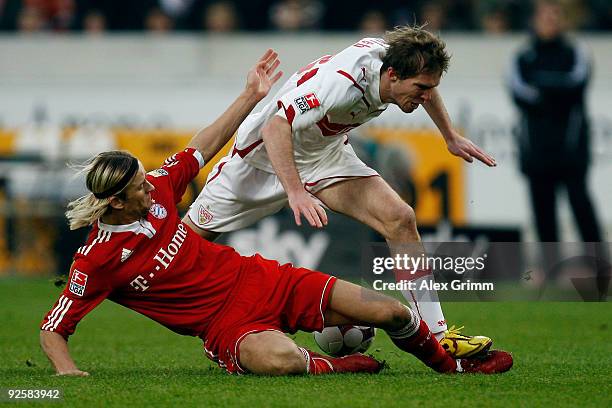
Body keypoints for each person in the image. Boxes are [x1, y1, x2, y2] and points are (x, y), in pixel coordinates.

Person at [39, 50, 513, 377]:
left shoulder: (161, 188)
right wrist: (68, 372)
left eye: (147, 179)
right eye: (140, 187)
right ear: (117, 202)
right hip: (225, 322)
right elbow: (53, 329)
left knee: (389, 310)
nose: (154, 185)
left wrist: (249, 93)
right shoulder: (96, 261)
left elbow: (201, 144)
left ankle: (447, 360)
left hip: (261, 278)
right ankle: (337, 364)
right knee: (281, 361)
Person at [184, 25, 497, 357]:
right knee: (183, 244)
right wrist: (296, 191)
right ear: (392, 75)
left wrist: (449, 135)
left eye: (430, 88)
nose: (425, 96)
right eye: (420, 88)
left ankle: (438, 336)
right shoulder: (342, 84)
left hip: (323, 156)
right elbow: (275, 126)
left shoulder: (398, 66)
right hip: (260, 160)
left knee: (399, 218)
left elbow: (427, 88)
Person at [508, 0, 602, 246]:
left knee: (582, 207)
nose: (550, 21)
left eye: (555, 16)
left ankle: (599, 263)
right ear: (535, 21)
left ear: (563, 21)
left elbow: (577, 84)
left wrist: (543, 88)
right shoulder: (522, 57)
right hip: (536, 151)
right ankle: (551, 268)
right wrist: (555, 90)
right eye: (545, 16)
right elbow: (519, 92)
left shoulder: (575, 53)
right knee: (543, 213)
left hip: (571, 149)